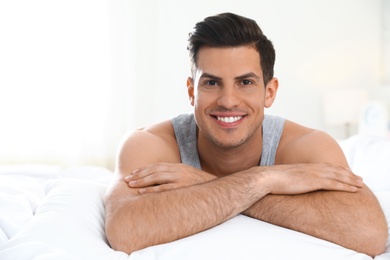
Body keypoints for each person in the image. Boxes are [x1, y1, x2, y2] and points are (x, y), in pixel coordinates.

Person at [104, 12, 388, 256]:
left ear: (270, 91)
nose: (228, 100)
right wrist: (264, 180)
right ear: (192, 91)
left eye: (245, 82)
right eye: (212, 82)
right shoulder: (148, 143)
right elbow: (125, 232)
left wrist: (204, 183)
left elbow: (369, 234)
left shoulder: (307, 145)